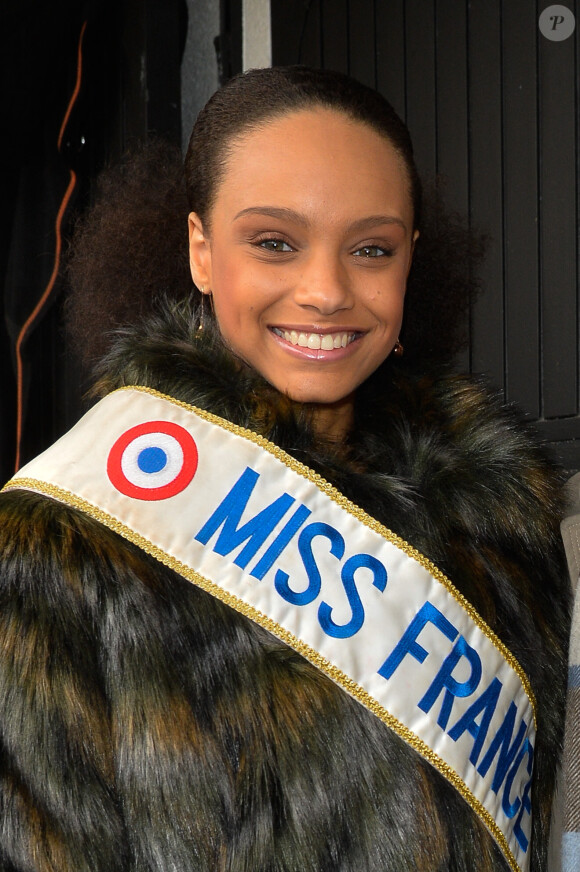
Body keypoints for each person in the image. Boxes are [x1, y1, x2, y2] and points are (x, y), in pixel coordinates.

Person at [0, 66, 570, 872]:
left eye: (370, 248)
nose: (327, 290)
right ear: (200, 250)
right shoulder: (66, 532)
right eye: (274, 242)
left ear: (413, 258)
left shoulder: (503, 519)